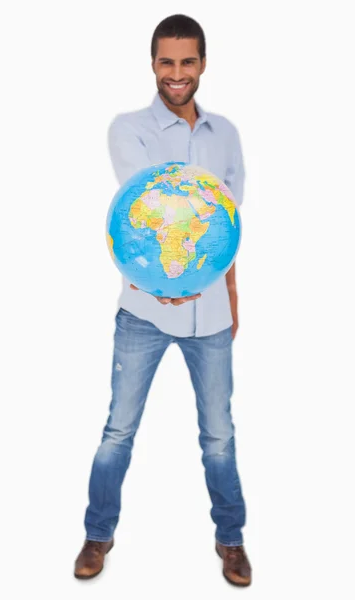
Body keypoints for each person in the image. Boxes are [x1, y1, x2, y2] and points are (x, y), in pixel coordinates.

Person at [74, 14, 252, 587]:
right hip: (144, 312)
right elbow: (144, 212)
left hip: (212, 318)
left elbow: (225, 225)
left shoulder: (225, 134)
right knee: (119, 430)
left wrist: (231, 293)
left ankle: (231, 541)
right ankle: (97, 535)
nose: (177, 74)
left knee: (219, 434)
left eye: (188, 61)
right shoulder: (128, 128)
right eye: (167, 62)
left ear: (203, 64)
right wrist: (161, 283)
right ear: (153, 64)